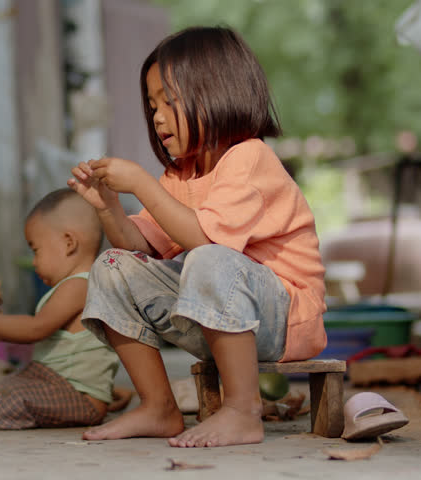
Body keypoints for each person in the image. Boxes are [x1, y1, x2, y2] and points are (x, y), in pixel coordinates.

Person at [67, 26, 327, 448]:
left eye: (169, 101)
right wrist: (108, 207)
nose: (157, 116)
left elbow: (207, 242)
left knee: (208, 256)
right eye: (152, 104)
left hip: (284, 318)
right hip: (215, 314)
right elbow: (139, 248)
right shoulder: (181, 173)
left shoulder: (249, 157)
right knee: (112, 267)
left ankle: (243, 410)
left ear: (218, 92)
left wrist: (140, 182)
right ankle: (158, 407)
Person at [0, 188, 119, 430]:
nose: (34, 262)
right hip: (58, 385)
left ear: (69, 243)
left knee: (12, 396)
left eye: (36, 250)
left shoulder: (79, 285)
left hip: (77, 395)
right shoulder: (76, 285)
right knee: (4, 390)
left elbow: (36, 328)